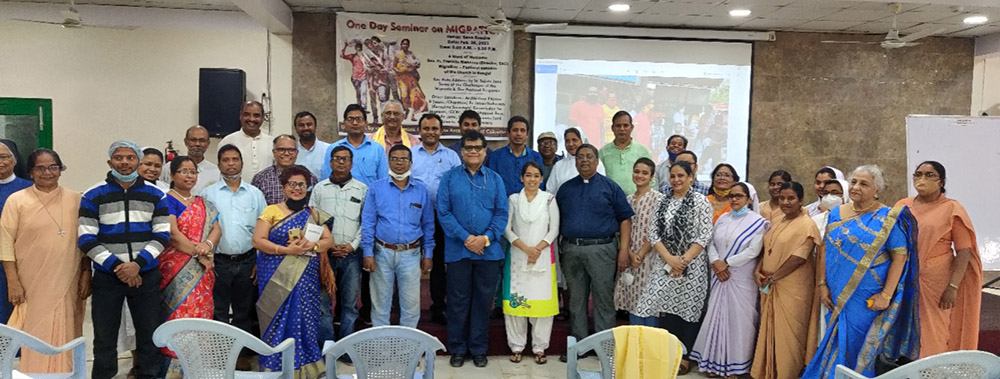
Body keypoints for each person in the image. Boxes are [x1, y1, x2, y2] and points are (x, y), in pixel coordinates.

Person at [805, 165, 920, 377]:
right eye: (854, 182)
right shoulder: (837, 213)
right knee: (835, 340)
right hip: (836, 292)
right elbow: (825, 248)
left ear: (877, 190)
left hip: (866, 296)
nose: (856, 187)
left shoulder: (887, 218)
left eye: (864, 184)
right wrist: (822, 284)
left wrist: (886, 295)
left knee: (858, 344)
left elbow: (900, 257)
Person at [79, 140, 170, 379]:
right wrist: (119, 267)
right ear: (110, 162)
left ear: (138, 162)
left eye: (130, 157)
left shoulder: (156, 194)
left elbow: (162, 234)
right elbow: (86, 238)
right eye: (119, 157)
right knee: (104, 336)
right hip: (108, 277)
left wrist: (136, 266)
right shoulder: (93, 194)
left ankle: (148, 375)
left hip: (145, 275)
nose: (125, 162)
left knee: (149, 333)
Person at [0, 148, 87, 373]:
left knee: (67, 326)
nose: (47, 172)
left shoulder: (77, 199)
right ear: (30, 172)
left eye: (53, 167)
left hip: (68, 276)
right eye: (40, 168)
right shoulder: (17, 200)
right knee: (34, 327)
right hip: (31, 280)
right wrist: (13, 281)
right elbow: (6, 243)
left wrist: (86, 273)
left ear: (60, 170)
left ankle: (67, 374)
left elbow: (87, 241)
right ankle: (34, 374)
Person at [252, 165, 336, 377]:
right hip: (274, 276)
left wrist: (312, 246)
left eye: (301, 184)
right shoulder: (271, 211)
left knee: (305, 319)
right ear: (284, 187)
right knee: (275, 318)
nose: (297, 188)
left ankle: (306, 368)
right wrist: (285, 250)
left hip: (305, 277)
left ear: (308, 188)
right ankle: (275, 368)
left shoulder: (313, 214)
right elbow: (258, 241)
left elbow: (329, 241)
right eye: (292, 184)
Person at [556, 144, 634, 362]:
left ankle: (604, 348)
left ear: (597, 160)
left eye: (589, 156)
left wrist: (623, 250)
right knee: (576, 299)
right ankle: (579, 345)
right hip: (571, 249)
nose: (584, 160)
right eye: (580, 157)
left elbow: (625, 219)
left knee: (603, 299)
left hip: (603, 249)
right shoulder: (565, 189)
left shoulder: (610, 187)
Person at [896, 161, 981, 357]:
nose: (922, 179)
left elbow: (964, 251)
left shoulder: (952, 209)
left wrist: (952, 287)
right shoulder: (902, 206)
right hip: (903, 278)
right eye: (918, 174)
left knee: (934, 330)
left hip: (936, 282)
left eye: (929, 175)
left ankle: (932, 373)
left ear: (941, 181)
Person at [437, 131, 508, 368]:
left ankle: (478, 349)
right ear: (462, 151)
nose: (473, 151)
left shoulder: (496, 179)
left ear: (485, 151)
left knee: (482, 303)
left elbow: (501, 214)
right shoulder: (449, 178)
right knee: (457, 302)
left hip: (488, 253)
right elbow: (444, 212)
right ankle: (457, 348)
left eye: (478, 147)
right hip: (458, 252)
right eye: (469, 147)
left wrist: (484, 239)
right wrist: (467, 238)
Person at [637, 161, 713, 375]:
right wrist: (670, 259)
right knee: (667, 310)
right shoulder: (663, 202)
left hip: (692, 266)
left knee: (687, 311)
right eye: (673, 176)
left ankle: (685, 357)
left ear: (691, 177)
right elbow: (653, 234)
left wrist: (683, 261)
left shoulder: (701, 202)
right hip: (665, 263)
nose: (676, 180)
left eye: (681, 176)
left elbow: (704, 235)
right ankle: (669, 353)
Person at [690, 182, 769, 379]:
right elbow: (711, 242)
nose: (734, 199)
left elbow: (753, 251)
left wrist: (727, 262)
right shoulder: (723, 218)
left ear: (749, 199)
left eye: (739, 196)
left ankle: (735, 367)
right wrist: (716, 261)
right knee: (716, 316)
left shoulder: (759, 222)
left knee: (739, 321)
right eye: (732, 195)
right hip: (719, 274)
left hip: (740, 277)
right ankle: (713, 362)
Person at [201, 144, 267, 368]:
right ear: (219, 164)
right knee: (218, 310)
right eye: (226, 159)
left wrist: (259, 261)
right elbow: (203, 228)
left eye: (235, 159)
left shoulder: (255, 194)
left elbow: (263, 230)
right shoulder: (208, 194)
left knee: (243, 310)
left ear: (242, 162)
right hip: (217, 261)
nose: (231, 163)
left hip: (248, 260)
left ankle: (241, 355)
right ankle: (222, 354)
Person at [158, 156, 222, 378]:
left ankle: (198, 368)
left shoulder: (204, 202)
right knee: (178, 315)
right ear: (173, 175)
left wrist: (207, 246)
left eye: (192, 171)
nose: (189, 175)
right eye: (183, 171)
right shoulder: (166, 200)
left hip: (202, 271)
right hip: (175, 270)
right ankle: (173, 371)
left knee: (201, 316)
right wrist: (200, 254)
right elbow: (173, 235)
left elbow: (217, 229)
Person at [750, 181, 819, 379]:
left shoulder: (807, 224)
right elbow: (767, 249)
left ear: (801, 201)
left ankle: (786, 374)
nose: (786, 202)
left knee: (789, 335)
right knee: (770, 329)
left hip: (793, 287)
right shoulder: (778, 220)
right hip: (769, 283)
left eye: (791, 198)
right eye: (782, 198)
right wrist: (758, 270)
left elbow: (800, 257)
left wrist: (774, 276)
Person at [361, 145, 434, 328]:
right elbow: (368, 222)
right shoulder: (376, 188)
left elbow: (428, 225)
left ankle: (408, 351)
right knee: (380, 305)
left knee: (410, 305)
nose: (399, 163)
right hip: (381, 252)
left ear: (411, 162)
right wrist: (367, 252)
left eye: (403, 159)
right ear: (388, 161)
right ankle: (381, 350)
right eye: (394, 158)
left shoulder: (421, 190)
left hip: (411, 253)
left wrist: (429, 254)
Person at [309, 145, 367, 350]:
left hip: (351, 255)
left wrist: (352, 246)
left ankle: (345, 348)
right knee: (324, 305)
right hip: (325, 255)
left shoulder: (362, 189)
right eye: (337, 158)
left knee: (350, 305)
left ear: (352, 163)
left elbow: (365, 223)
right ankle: (326, 347)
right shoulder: (320, 188)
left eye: (345, 158)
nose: (341, 162)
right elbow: (312, 221)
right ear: (330, 162)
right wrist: (323, 246)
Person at [502, 162, 559, 365]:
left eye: (536, 176)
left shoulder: (549, 199)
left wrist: (537, 249)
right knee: (516, 305)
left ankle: (539, 347)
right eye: (528, 175)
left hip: (542, 258)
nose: (532, 179)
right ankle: (516, 347)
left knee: (542, 307)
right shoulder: (514, 199)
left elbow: (554, 229)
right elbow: (507, 229)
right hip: (518, 257)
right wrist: (526, 249)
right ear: (521, 178)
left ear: (542, 179)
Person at [410, 113, 461, 324]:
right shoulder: (410, 154)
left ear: (441, 131)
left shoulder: (451, 157)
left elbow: (458, 186)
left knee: (438, 262)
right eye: (426, 128)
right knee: (409, 261)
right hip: (413, 217)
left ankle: (438, 306)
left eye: (434, 128)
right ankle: (405, 306)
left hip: (442, 218)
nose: (430, 132)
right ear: (419, 131)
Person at [612, 158, 664, 325]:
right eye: (637, 171)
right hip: (629, 255)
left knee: (650, 301)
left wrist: (640, 254)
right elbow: (622, 229)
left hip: (651, 256)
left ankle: (650, 346)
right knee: (633, 300)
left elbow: (658, 229)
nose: (640, 175)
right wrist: (628, 253)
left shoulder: (659, 199)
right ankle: (636, 345)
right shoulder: (627, 200)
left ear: (652, 176)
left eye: (644, 173)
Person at [0, 140, 32, 325]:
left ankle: (21, 353)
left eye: (5, 156)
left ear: (14, 160)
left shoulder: (29, 189)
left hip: (21, 262)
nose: (1, 162)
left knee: (18, 311)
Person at [320, 104, 388, 185]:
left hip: (369, 197)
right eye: (350, 119)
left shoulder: (377, 149)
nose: (355, 123)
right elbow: (326, 181)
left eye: (359, 119)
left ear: (366, 123)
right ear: (344, 123)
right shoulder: (333, 148)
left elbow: (383, 181)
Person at [252, 134, 319, 205]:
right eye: (281, 150)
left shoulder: (309, 177)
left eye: (291, 150)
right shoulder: (260, 179)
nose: (286, 153)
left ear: (297, 152)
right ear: (274, 152)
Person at [599, 111, 653, 195]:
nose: (622, 129)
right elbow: (599, 180)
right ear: (612, 128)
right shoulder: (603, 152)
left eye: (625, 125)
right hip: (611, 203)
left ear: (631, 127)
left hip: (638, 202)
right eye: (618, 126)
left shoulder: (643, 151)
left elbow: (652, 180)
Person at [546, 128, 605, 204]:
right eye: (567, 141)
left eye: (574, 140)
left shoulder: (596, 163)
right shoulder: (559, 166)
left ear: (582, 141)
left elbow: (602, 188)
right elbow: (550, 192)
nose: (570, 144)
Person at [488, 116, 543, 196]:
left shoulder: (536, 157)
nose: (518, 134)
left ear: (527, 134)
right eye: (515, 130)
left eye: (522, 130)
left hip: (528, 203)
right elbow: (492, 183)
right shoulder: (496, 156)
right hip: (503, 203)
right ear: (508, 133)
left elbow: (540, 183)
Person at [220, 101, 274, 179]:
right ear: (240, 116)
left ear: (263, 118)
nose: (251, 119)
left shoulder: (272, 143)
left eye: (256, 115)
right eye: (247, 115)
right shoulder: (227, 142)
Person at [393, 38, 428, 121]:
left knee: (414, 96)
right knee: (404, 95)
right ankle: (406, 110)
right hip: (402, 78)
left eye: (407, 44)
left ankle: (413, 115)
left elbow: (416, 64)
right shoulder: (398, 54)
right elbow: (394, 66)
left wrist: (413, 66)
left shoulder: (411, 54)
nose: (405, 45)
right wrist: (399, 71)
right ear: (401, 45)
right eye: (404, 44)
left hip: (411, 77)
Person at [180, 126, 221, 195]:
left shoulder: (217, 172)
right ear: (185, 142)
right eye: (193, 140)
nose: (197, 144)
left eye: (202, 140)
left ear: (208, 143)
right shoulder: (170, 168)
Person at [293, 112, 331, 179]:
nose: (305, 128)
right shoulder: (291, 151)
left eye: (309, 124)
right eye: (301, 125)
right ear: (296, 128)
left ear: (315, 126)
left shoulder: (328, 149)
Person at [341, 41, 369, 110]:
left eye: (360, 47)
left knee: (364, 92)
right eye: (357, 47)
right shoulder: (352, 56)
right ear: (355, 48)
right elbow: (342, 55)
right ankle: (359, 108)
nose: (358, 48)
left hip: (363, 77)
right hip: (355, 78)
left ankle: (364, 108)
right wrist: (345, 46)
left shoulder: (364, 56)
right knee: (358, 93)